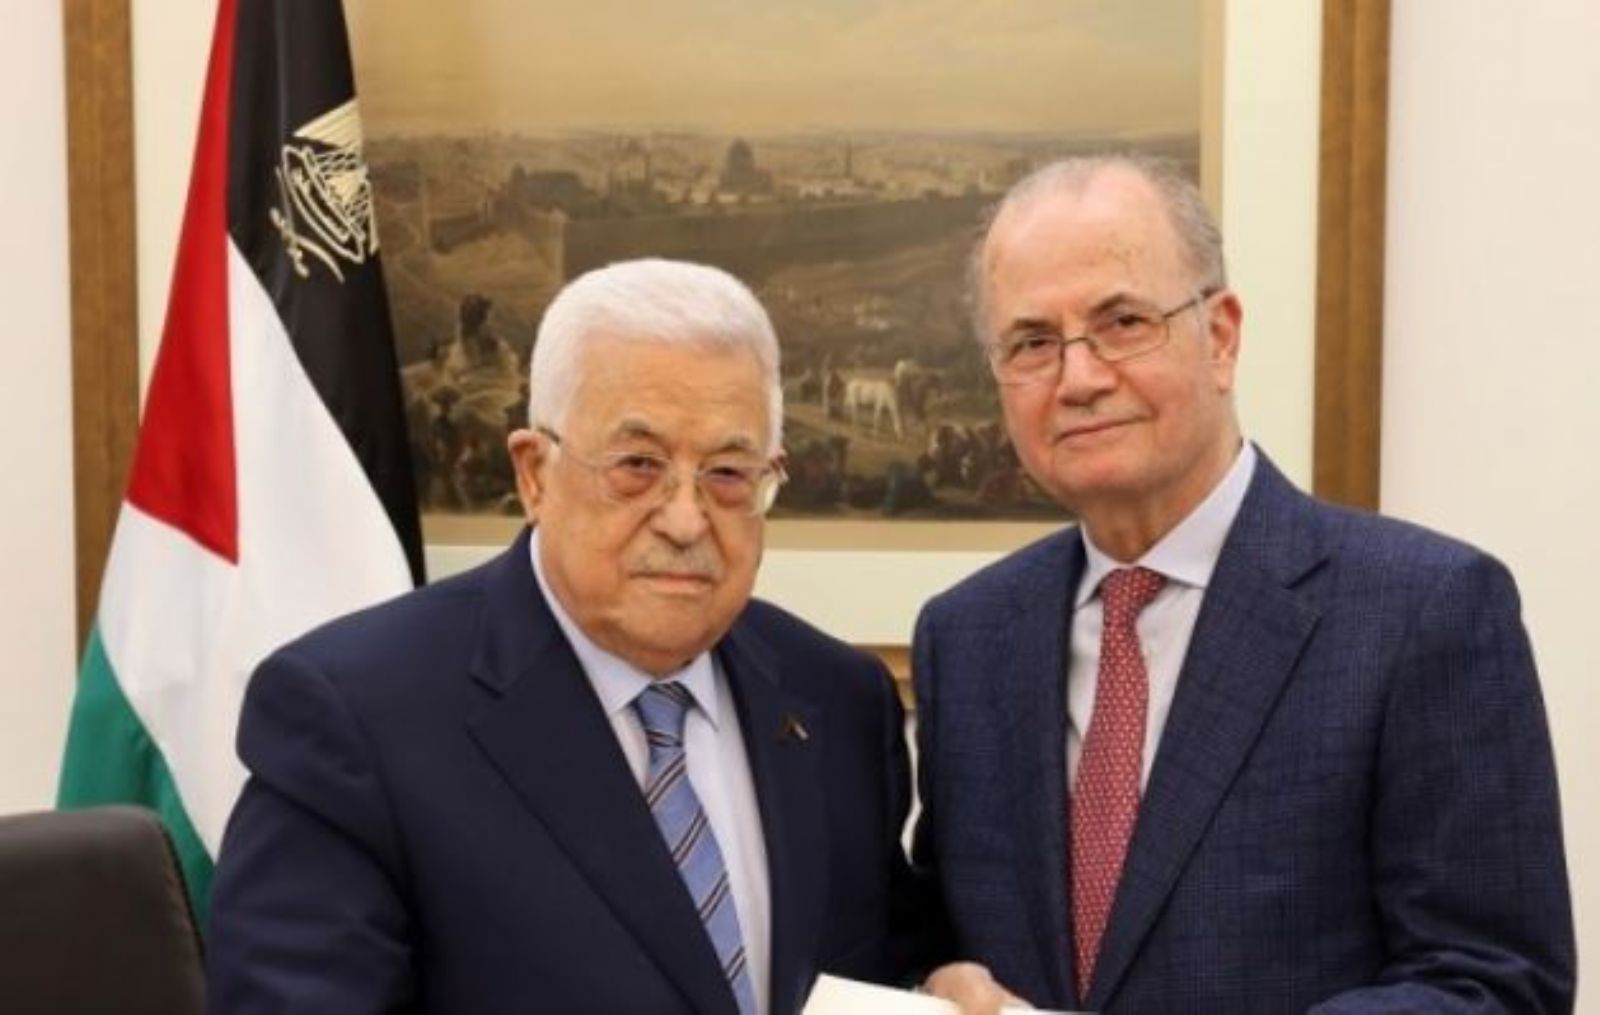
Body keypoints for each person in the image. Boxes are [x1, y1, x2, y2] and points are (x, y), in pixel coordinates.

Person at [912, 156, 1575, 1013]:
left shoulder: (1426, 611)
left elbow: (1497, 983)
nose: (1079, 379)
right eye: (1034, 343)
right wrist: (930, 983)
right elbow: (934, 936)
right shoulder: (966, 637)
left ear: (1220, 337)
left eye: (1122, 322)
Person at [207, 259, 920, 1013]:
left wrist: (939, 984)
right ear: (534, 474)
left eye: (728, 473)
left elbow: (883, 973)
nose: (686, 520)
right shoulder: (355, 719)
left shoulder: (840, 701)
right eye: (638, 465)